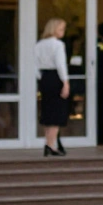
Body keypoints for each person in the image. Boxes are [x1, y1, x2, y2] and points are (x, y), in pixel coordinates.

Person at [35, 17, 71, 157]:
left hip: (45, 78)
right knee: (57, 112)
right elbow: (61, 64)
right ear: (54, 29)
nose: (63, 31)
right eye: (61, 29)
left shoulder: (39, 45)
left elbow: (35, 65)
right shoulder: (58, 45)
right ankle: (51, 145)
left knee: (47, 110)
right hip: (56, 77)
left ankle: (48, 143)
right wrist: (65, 82)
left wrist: (41, 78)